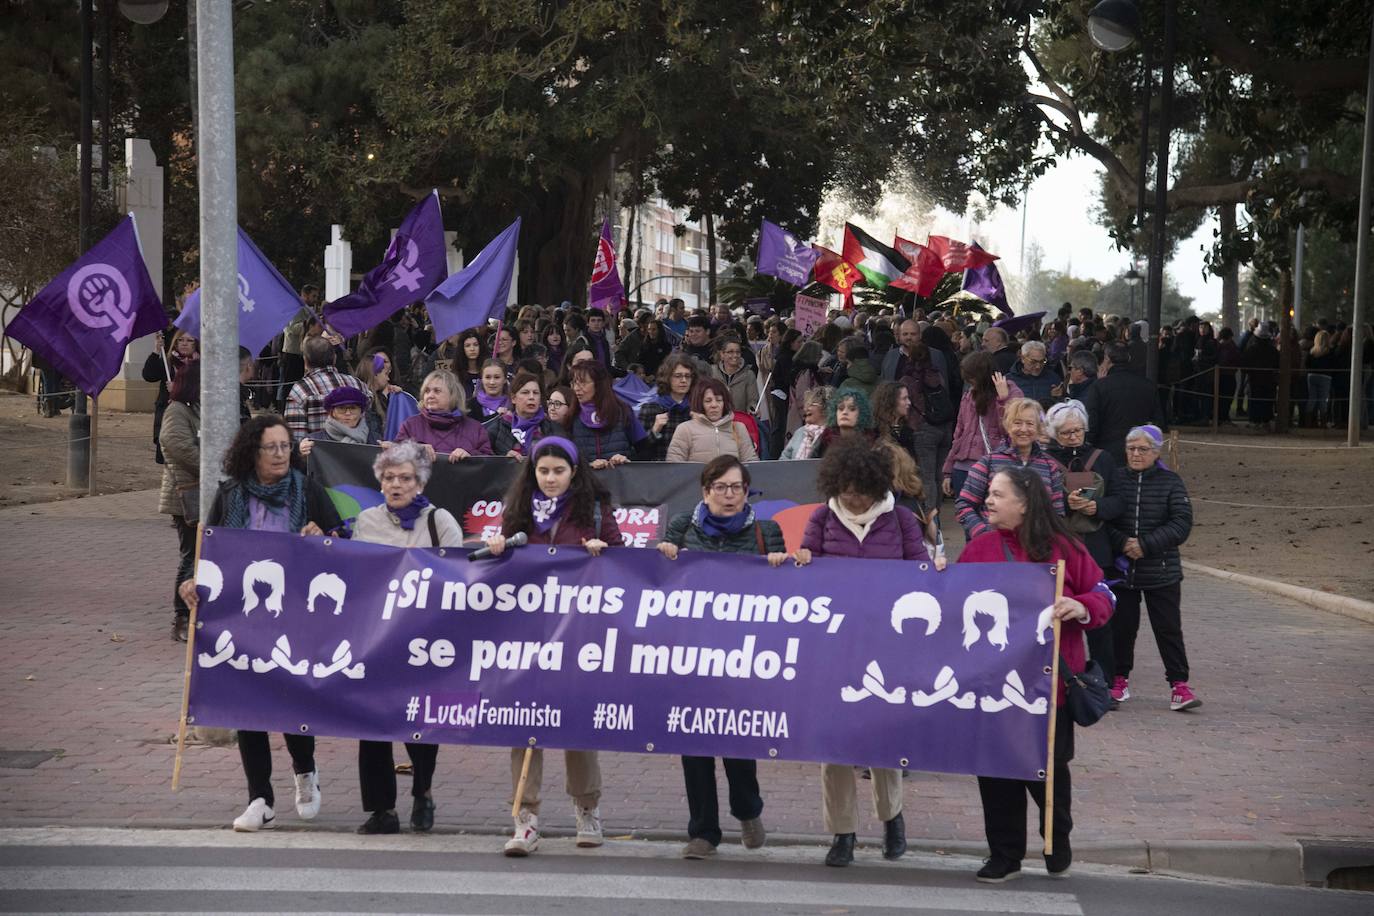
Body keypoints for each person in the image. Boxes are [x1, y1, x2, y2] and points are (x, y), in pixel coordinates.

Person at [178, 415, 345, 832]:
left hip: (295, 616)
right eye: (271, 447)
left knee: (291, 700)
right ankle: (260, 798)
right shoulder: (230, 494)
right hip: (243, 615)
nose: (280, 454)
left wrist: (324, 535)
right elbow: (206, 548)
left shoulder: (307, 491)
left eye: (285, 446)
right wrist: (189, 583)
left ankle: (305, 770)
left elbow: (343, 540)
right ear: (252, 451)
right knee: (247, 703)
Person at [958, 466, 1114, 883]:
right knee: (994, 772)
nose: (987, 501)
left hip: (1050, 689)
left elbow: (1104, 594)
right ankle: (1004, 853)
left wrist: (1082, 607)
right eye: (987, 494)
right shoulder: (978, 549)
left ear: (1024, 502)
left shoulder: (1065, 547)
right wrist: (939, 576)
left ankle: (1055, 839)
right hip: (991, 688)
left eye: (997, 494)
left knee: (1048, 772)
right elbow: (952, 606)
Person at [481, 437, 621, 856]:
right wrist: (498, 549)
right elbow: (501, 563)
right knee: (524, 726)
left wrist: (603, 552)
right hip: (528, 634)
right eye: (543, 471)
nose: (551, 479)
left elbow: (624, 561)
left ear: (573, 472)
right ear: (533, 473)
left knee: (577, 725)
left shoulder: (595, 511)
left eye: (559, 471)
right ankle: (525, 819)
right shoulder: (520, 511)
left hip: (579, 635)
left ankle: (587, 810)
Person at [794, 440, 928, 866]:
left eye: (861, 490)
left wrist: (935, 570)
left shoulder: (902, 520)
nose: (853, 498)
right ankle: (843, 833)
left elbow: (921, 573)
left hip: (885, 646)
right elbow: (807, 570)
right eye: (846, 489)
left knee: (884, 737)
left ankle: (892, 818)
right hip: (834, 648)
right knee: (833, 744)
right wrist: (801, 561)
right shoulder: (821, 517)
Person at [657, 455, 787, 859]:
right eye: (721, 487)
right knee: (693, 745)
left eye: (737, 488)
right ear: (705, 491)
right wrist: (662, 556)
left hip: (742, 656)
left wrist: (784, 565)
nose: (729, 495)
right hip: (691, 655)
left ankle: (747, 810)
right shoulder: (682, 527)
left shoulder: (766, 532)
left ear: (747, 492)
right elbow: (659, 584)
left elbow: (786, 595)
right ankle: (703, 832)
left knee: (738, 741)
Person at [350, 441, 462, 834]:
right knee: (372, 723)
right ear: (380, 482)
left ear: (420, 483)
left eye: (406, 478)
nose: (397, 485)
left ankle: (423, 792)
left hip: (425, 640)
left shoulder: (440, 522)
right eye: (390, 478)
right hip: (378, 639)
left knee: (420, 721)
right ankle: (381, 808)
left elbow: (457, 580)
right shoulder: (366, 523)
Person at [1107, 425, 1200, 712]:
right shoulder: (1115, 479)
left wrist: (1145, 545)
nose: (1136, 454)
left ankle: (1179, 685)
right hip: (1123, 571)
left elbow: (1181, 523)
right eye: (1131, 448)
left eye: (1143, 449)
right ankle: (1118, 680)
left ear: (1155, 452)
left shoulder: (1171, 482)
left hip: (1161, 570)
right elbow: (1103, 517)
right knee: (1122, 629)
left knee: (1168, 628)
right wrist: (1123, 542)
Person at [1044, 400, 1123, 686]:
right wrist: (1066, 502)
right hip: (1058, 550)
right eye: (1066, 433)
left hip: (1096, 549)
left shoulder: (1103, 458)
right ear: (1054, 433)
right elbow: (1039, 505)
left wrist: (1097, 508)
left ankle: (1105, 680)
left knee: (1099, 620)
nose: (1073, 437)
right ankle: (1060, 677)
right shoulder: (1046, 462)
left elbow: (1119, 502)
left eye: (1077, 431)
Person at [956, 398, 1066, 540]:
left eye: (1030, 424)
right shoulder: (988, 462)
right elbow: (964, 504)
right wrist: (982, 534)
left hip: (1037, 548)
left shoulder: (1050, 466)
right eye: (1017, 423)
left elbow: (1057, 513)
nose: (1024, 429)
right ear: (1007, 426)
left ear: (1039, 428)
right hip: (994, 547)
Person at [158, 359, 201, 642]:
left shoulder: (194, 408)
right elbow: (177, 446)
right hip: (184, 493)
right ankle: (181, 618)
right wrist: (214, 465)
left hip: (199, 490)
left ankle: (195, 613)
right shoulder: (176, 411)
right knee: (189, 556)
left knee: (199, 555)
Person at [942, 352, 1022, 501]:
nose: (970, 382)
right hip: (963, 467)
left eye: (972, 377)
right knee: (967, 517)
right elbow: (959, 435)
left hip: (994, 467)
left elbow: (1012, 431)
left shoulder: (1012, 392)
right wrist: (948, 471)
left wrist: (1003, 400)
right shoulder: (969, 395)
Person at [1080, 343, 1158, 465]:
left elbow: (1092, 424)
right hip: (1140, 449)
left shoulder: (1099, 387)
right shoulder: (1148, 385)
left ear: (1107, 359)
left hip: (1107, 451)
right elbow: (1158, 422)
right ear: (1129, 358)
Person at [395, 369, 493, 462]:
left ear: (453, 395)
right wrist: (415, 449)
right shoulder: (410, 425)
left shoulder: (475, 429)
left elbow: (490, 463)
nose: (430, 395)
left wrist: (471, 456)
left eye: (437, 391)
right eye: (427, 391)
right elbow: (395, 456)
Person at [284, 336, 367, 441]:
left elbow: (295, 438)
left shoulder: (300, 391)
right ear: (334, 358)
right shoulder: (357, 384)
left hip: (319, 455)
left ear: (305, 362)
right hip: (358, 454)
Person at [569, 361, 648, 468]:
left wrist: (627, 460)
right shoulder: (571, 416)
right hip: (587, 483)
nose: (576, 388)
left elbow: (645, 452)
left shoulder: (623, 411)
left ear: (599, 385)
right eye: (574, 383)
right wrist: (589, 466)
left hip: (621, 481)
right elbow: (566, 461)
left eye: (582, 383)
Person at [665, 378, 758, 463]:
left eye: (719, 400)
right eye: (708, 401)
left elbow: (751, 464)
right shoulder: (685, 429)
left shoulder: (739, 428)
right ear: (699, 403)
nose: (714, 405)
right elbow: (674, 467)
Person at [143, 328, 199, 464]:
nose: (184, 343)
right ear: (175, 343)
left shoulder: (201, 366)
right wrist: (156, 350)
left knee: (190, 460)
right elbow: (149, 375)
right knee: (170, 461)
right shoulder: (169, 363)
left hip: (194, 420)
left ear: (196, 344)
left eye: (189, 340)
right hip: (169, 419)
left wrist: (178, 389)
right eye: (181, 340)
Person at [486, 371, 561, 457]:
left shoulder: (552, 428)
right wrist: (505, 459)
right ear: (513, 398)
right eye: (525, 392)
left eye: (536, 393)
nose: (531, 397)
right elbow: (486, 459)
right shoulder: (497, 428)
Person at [639, 355, 699, 461]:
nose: (684, 380)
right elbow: (639, 451)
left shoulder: (697, 408)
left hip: (691, 471)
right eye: (678, 376)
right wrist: (654, 431)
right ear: (667, 377)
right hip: (661, 472)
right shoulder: (650, 408)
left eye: (688, 376)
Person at [297, 385, 381, 459]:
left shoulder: (376, 440)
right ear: (332, 412)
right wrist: (301, 455)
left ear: (361, 411)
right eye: (342, 408)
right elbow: (301, 471)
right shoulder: (313, 441)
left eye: (353, 408)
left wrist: (390, 453)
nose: (348, 413)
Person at [810, 388, 876, 459]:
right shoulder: (825, 440)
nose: (844, 412)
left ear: (862, 414)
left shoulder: (871, 443)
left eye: (852, 409)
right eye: (840, 408)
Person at [779, 386, 832, 460]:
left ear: (824, 412)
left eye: (810, 414)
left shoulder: (834, 436)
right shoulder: (800, 432)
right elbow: (784, 460)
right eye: (806, 415)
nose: (807, 420)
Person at [710, 337, 760, 415]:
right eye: (730, 352)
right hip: (716, 420)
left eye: (738, 352)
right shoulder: (712, 372)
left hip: (739, 421)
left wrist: (753, 409)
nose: (735, 355)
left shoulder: (749, 375)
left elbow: (752, 400)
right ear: (722, 354)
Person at [1007, 340, 1061, 408]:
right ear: (1023, 358)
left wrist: (1058, 397)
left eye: (1042, 361)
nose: (1038, 366)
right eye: (1033, 362)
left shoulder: (1053, 378)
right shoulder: (1009, 380)